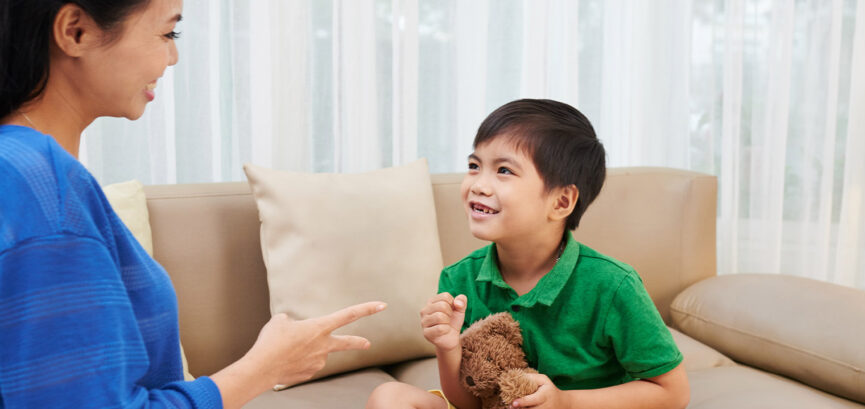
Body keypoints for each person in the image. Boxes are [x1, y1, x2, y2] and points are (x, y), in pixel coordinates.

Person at [0, 1, 385, 408]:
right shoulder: (43, 187)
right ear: (75, 31)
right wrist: (265, 367)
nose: (173, 57)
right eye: (168, 33)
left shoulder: (23, 168)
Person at [366, 99, 690, 409]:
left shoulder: (613, 285)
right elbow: (469, 401)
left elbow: (673, 393)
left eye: (503, 170)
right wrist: (447, 346)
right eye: (474, 166)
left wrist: (566, 403)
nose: (478, 184)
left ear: (561, 202)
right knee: (389, 397)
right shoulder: (458, 278)